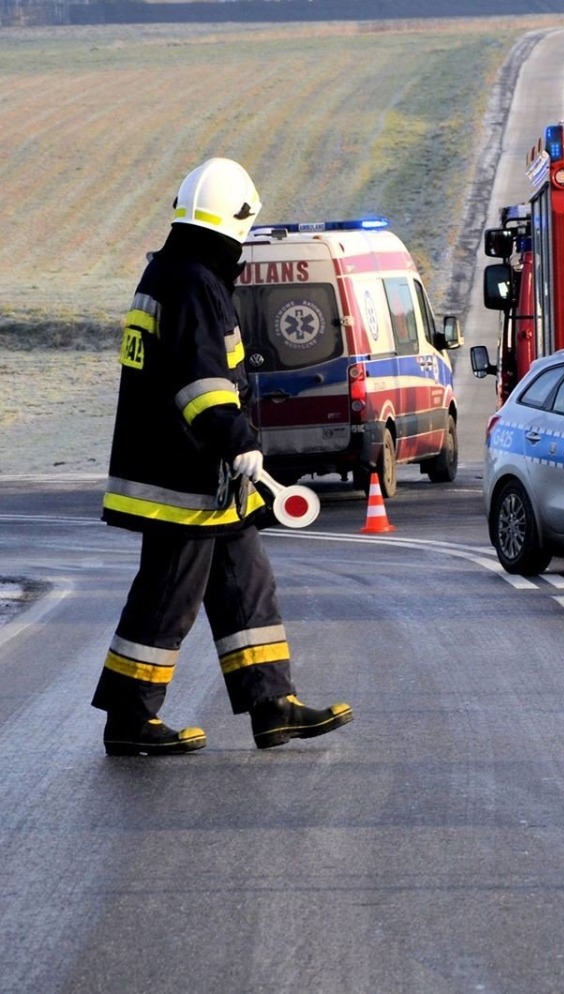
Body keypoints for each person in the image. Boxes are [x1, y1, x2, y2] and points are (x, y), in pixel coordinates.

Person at [95, 157, 353, 756]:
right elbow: (200, 385)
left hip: (201, 478)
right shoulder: (193, 283)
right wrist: (237, 440)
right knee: (168, 598)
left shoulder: (170, 274)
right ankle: (129, 719)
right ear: (237, 221)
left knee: (247, 584)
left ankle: (273, 705)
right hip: (182, 478)